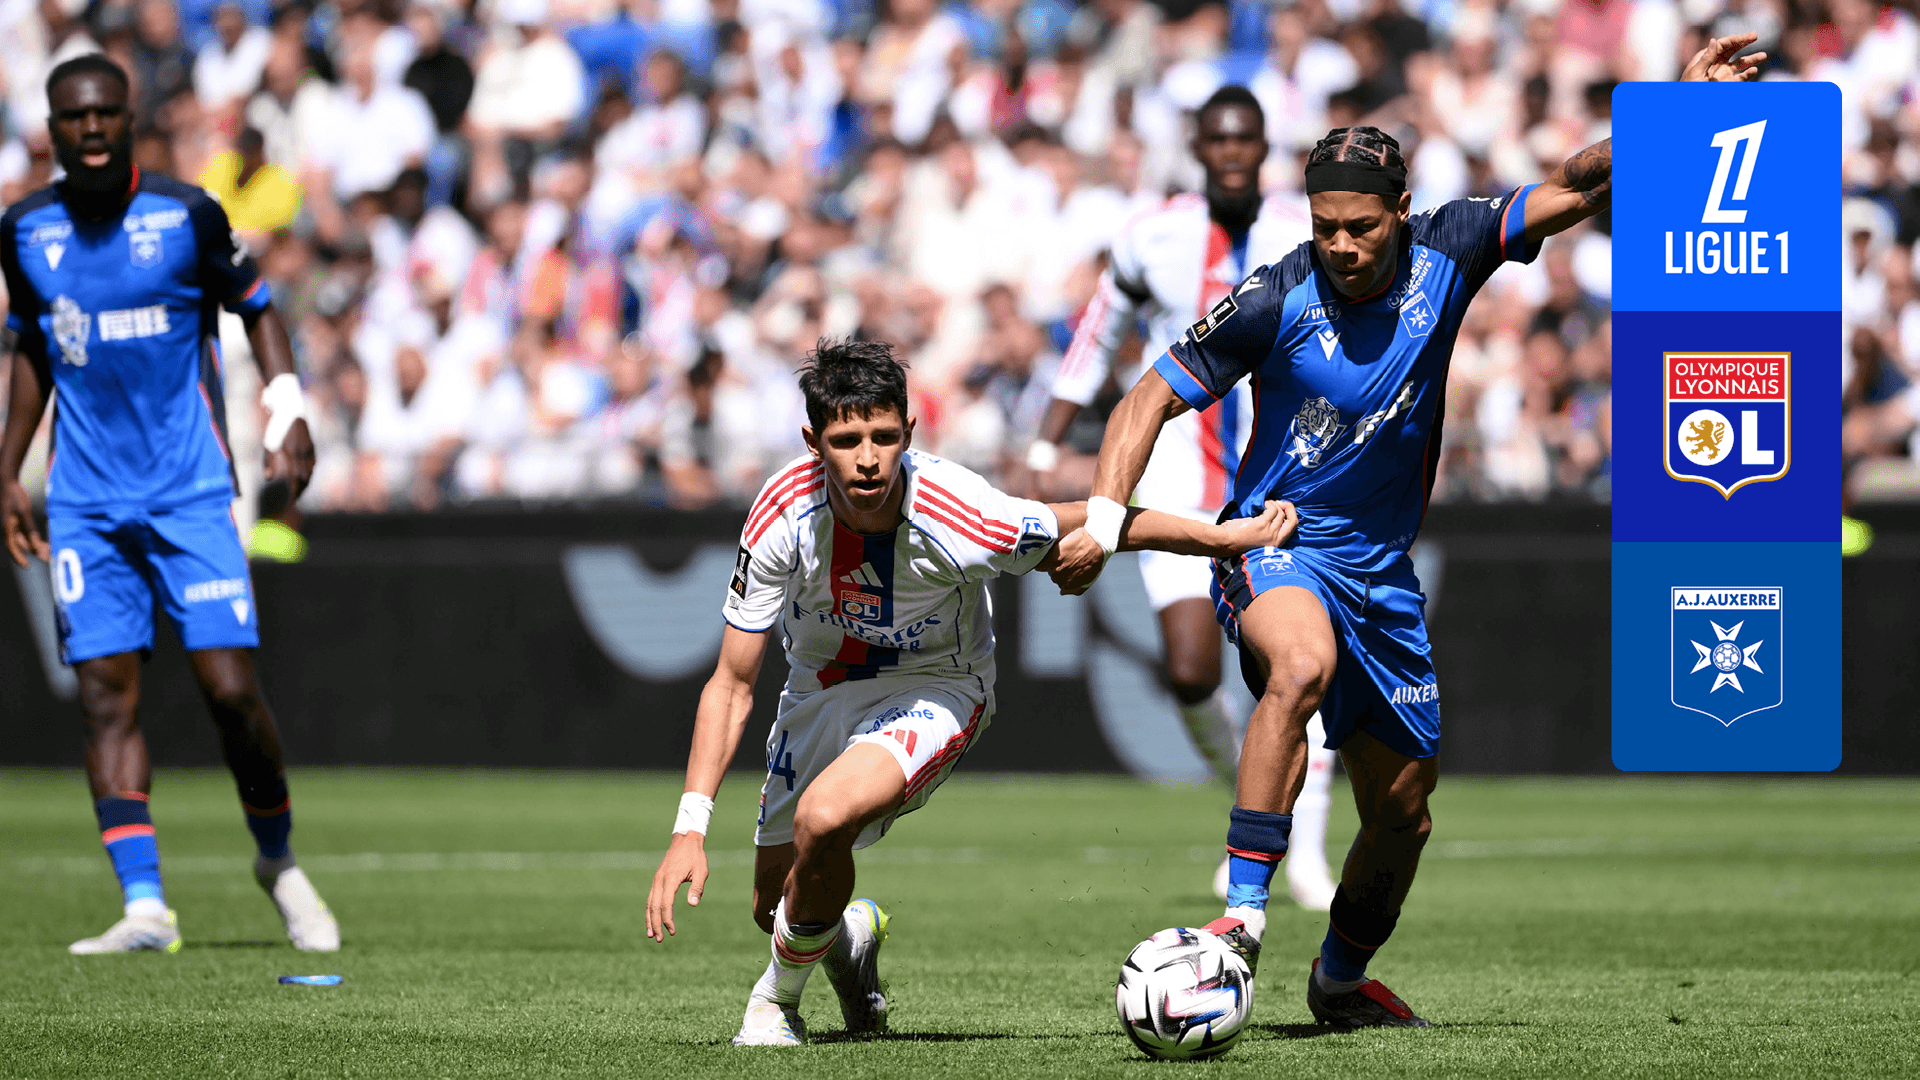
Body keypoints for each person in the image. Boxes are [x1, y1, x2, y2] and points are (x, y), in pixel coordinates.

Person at [1049, 34, 1767, 1028]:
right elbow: (1142, 402)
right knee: (1298, 666)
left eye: (1360, 226)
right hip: (1276, 544)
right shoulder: (1272, 296)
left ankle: (1339, 984)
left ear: (1400, 210)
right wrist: (1101, 520)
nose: (1341, 246)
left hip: (1381, 575)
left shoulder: (1453, 247)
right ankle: (1242, 917)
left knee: (1403, 814)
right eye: (1325, 228)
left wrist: (1678, 119)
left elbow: (1575, 185)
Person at [645, 338, 1298, 1046]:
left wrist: (1221, 538)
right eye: (847, 441)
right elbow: (732, 683)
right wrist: (689, 829)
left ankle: (775, 1005)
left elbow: (1094, 517)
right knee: (777, 905)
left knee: (824, 818)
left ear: (909, 431)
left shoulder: (960, 512)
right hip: (818, 688)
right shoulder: (780, 513)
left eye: (884, 437)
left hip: (938, 686)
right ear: (813, 442)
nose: (868, 459)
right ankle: (850, 944)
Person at [0, 54, 334, 955]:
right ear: (52, 128)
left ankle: (277, 858)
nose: (93, 127)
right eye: (76, 116)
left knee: (230, 691)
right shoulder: (25, 230)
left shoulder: (186, 215)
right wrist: (7, 468)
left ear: (130, 117)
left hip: (190, 491)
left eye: (107, 112)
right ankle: (145, 906)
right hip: (84, 502)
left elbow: (258, 307)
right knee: (105, 699)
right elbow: (31, 347)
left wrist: (287, 410)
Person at [1024, 83, 1339, 911]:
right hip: (1174, 481)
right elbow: (1097, 336)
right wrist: (1047, 441)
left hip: (1277, 480)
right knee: (1192, 671)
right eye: (1218, 139)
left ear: (1263, 146)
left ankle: (1304, 851)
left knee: (1294, 665)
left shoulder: (1303, 231)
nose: (1232, 152)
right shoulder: (1151, 235)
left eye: (1246, 139)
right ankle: (1252, 804)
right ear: (1199, 148)